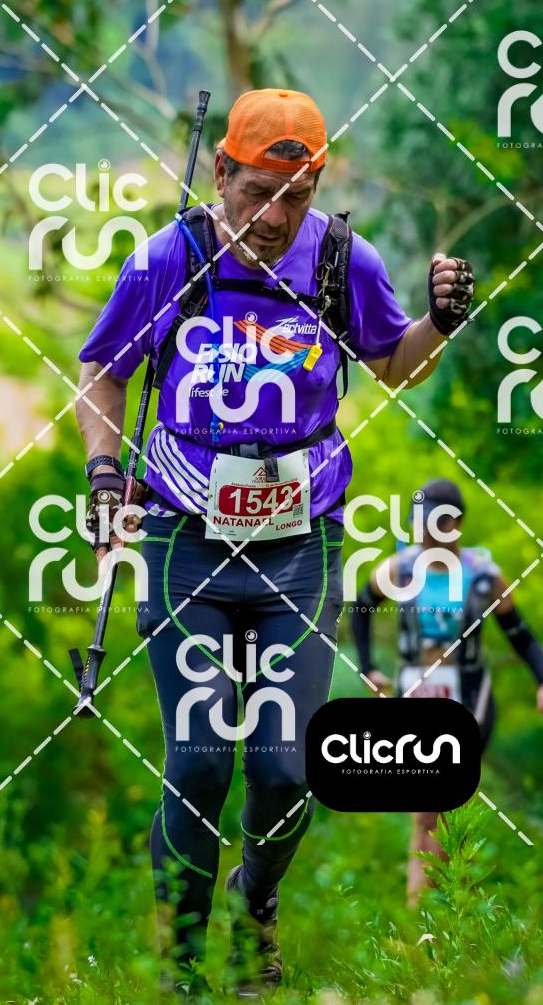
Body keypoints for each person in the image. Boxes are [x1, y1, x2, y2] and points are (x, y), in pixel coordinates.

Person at [76, 87, 475, 997]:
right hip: (185, 538)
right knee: (199, 759)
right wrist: (103, 474)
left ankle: (253, 905)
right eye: (258, 192)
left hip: (301, 546)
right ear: (221, 171)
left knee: (288, 768)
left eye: (296, 196)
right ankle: (181, 969)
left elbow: (393, 363)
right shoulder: (169, 259)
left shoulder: (341, 261)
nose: (274, 216)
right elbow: (103, 368)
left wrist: (440, 325)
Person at [350, 478, 543, 904]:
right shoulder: (399, 570)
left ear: (455, 523)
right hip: (416, 694)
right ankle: (427, 915)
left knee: (450, 807)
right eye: (417, 522)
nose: (423, 532)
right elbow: (360, 610)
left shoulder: (484, 576)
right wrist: (368, 667)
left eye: (432, 522)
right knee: (425, 812)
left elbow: (522, 637)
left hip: (469, 698)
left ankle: (446, 911)